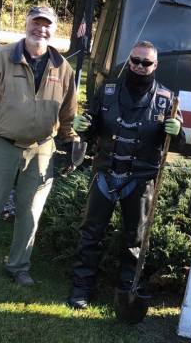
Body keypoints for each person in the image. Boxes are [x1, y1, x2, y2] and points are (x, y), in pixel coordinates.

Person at [67, 40, 184, 309]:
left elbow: (175, 144)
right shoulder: (106, 91)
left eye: (146, 63)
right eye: (135, 61)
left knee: (135, 239)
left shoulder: (167, 99)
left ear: (156, 65)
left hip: (141, 179)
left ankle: (126, 289)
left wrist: (179, 130)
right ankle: (82, 288)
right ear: (129, 60)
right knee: (90, 234)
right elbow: (91, 128)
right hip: (106, 173)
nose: (140, 67)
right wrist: (82, 126)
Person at [0, 6, 78, 286]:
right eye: (36, 23)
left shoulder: (63, 68)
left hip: (42, 149)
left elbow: (69, 111)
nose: (41, 29)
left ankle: (19, 266)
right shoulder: (0, 58)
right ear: (27, 23)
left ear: (54, 30)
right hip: (0, 144)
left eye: (47, 25)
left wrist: (70, 141)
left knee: (31, 213)